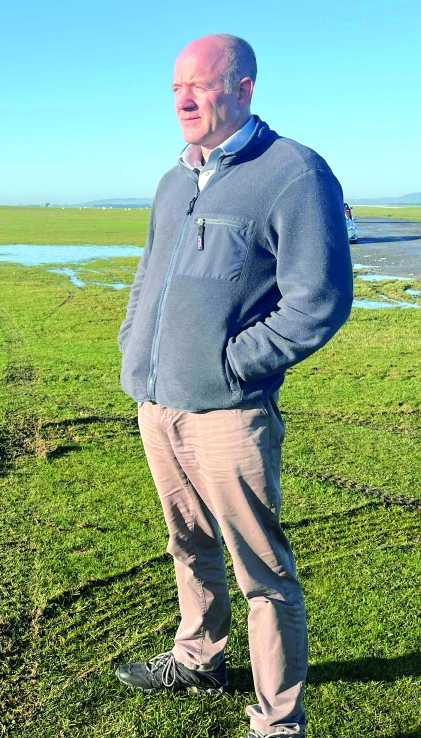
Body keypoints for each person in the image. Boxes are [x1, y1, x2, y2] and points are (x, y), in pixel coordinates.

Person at [115, 34, 353, 737]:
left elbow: (319, 302)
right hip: (158, 407)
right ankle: (200, 659)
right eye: (175, 87)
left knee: (261, 572)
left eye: (200, 83)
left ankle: (278, 722)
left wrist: (231, 364)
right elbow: (147, 277)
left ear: (244, 88)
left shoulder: (294, 174)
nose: (183, 98)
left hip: (230, 413)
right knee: (186, 546)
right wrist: (136, 348)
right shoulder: (173, 180)